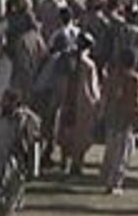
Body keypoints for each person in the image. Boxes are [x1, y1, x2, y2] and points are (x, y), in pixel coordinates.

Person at [0, 89, 41, 216]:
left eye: (7, 101)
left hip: (16, 166)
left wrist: (33, 168)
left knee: (8, 206)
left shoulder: (25, 120)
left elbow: (33, 143)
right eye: (3, 101)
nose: (3, 104)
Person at [100, 47, 138, 195]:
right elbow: (136, 103)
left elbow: (105, 96)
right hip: (126, 120)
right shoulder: (135, 79)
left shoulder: (112, 76)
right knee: (122, 153)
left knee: (111, 150)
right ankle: (114, 183)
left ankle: (106, 176)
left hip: (112, 116)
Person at [56, 33, 100, 175]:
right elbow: (92, 87)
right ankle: (76, 163)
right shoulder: (88, 64)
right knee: (80, 134)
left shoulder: (67, 59)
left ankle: (65, 161)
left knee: (67, 131)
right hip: (82, 102)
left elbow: (61, 80)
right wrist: (96, 101)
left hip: (68, 98)